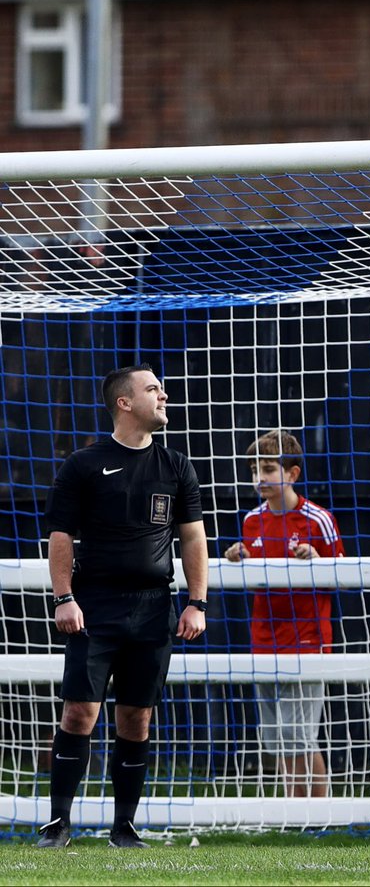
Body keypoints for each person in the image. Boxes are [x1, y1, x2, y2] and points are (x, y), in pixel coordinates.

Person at [38, 363, 209, 849]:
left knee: (136, 717)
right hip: (93, 606)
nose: (165, 395)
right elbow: (59, 536)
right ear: (124, 402)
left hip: (154, 608)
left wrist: (196, 603)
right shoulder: (84, 464)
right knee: (79, 714)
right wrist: (64, 597)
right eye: (154, 389)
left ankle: (124, 828)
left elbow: (193, 539)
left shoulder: (176, 465)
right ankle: (58, 825)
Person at [223, 429, 343, 799]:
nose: (259, 477)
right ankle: (294, 815)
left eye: (268, 468)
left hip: (307, 641)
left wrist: (318, 561)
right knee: (276, 739)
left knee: (300, 736)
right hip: (264, 641)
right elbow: (256, 577)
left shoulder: (318, 519)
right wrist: (237, 558)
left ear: (291, 474)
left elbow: (341, 576)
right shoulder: (251, 521)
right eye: (254, 469)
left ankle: (321, 816)